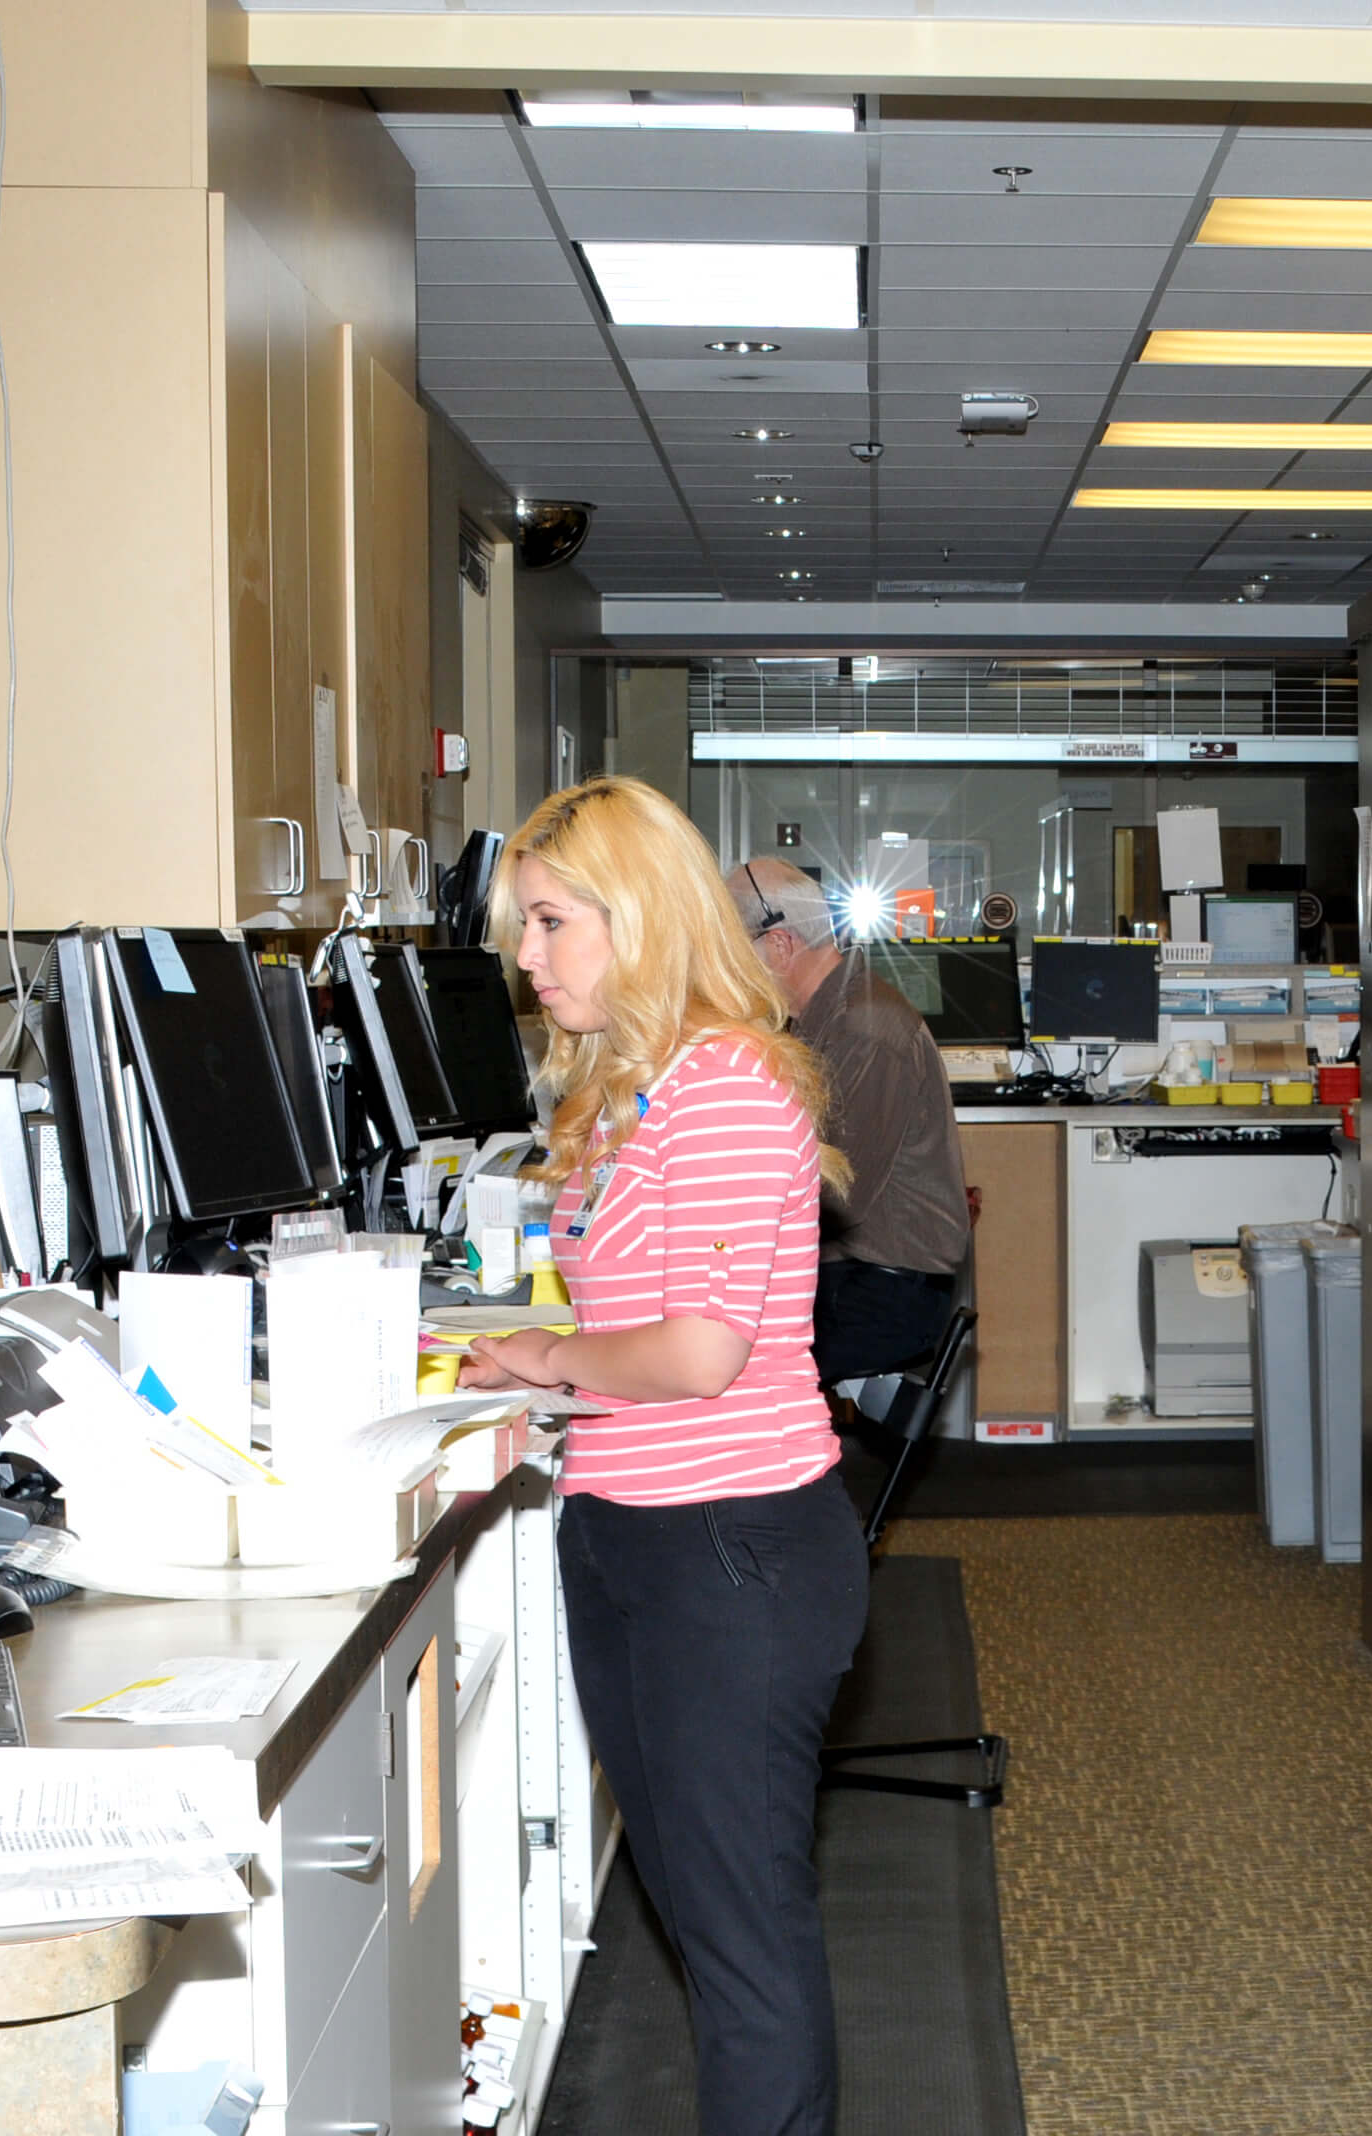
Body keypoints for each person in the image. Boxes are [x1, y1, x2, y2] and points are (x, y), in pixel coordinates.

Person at [459, 777, 863, 2136]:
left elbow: (699, 1353)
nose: (528, 956)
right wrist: (532, 1352)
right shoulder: (632, 1091)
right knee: (701, 1914)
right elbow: (628, 1315)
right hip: (634, 1533)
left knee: (742, 1944)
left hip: (731, 1551)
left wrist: (548, 1360)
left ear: (637, 921)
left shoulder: (731, 1084)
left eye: (552, 921)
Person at [724, 858, 973, 1382]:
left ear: (779, 945)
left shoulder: (863, 1030)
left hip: (883, 1292)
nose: (727, 968)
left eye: (731, 951)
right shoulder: (817, 1020)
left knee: (717, 1368)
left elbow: (835, 1195)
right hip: (852, 1275)